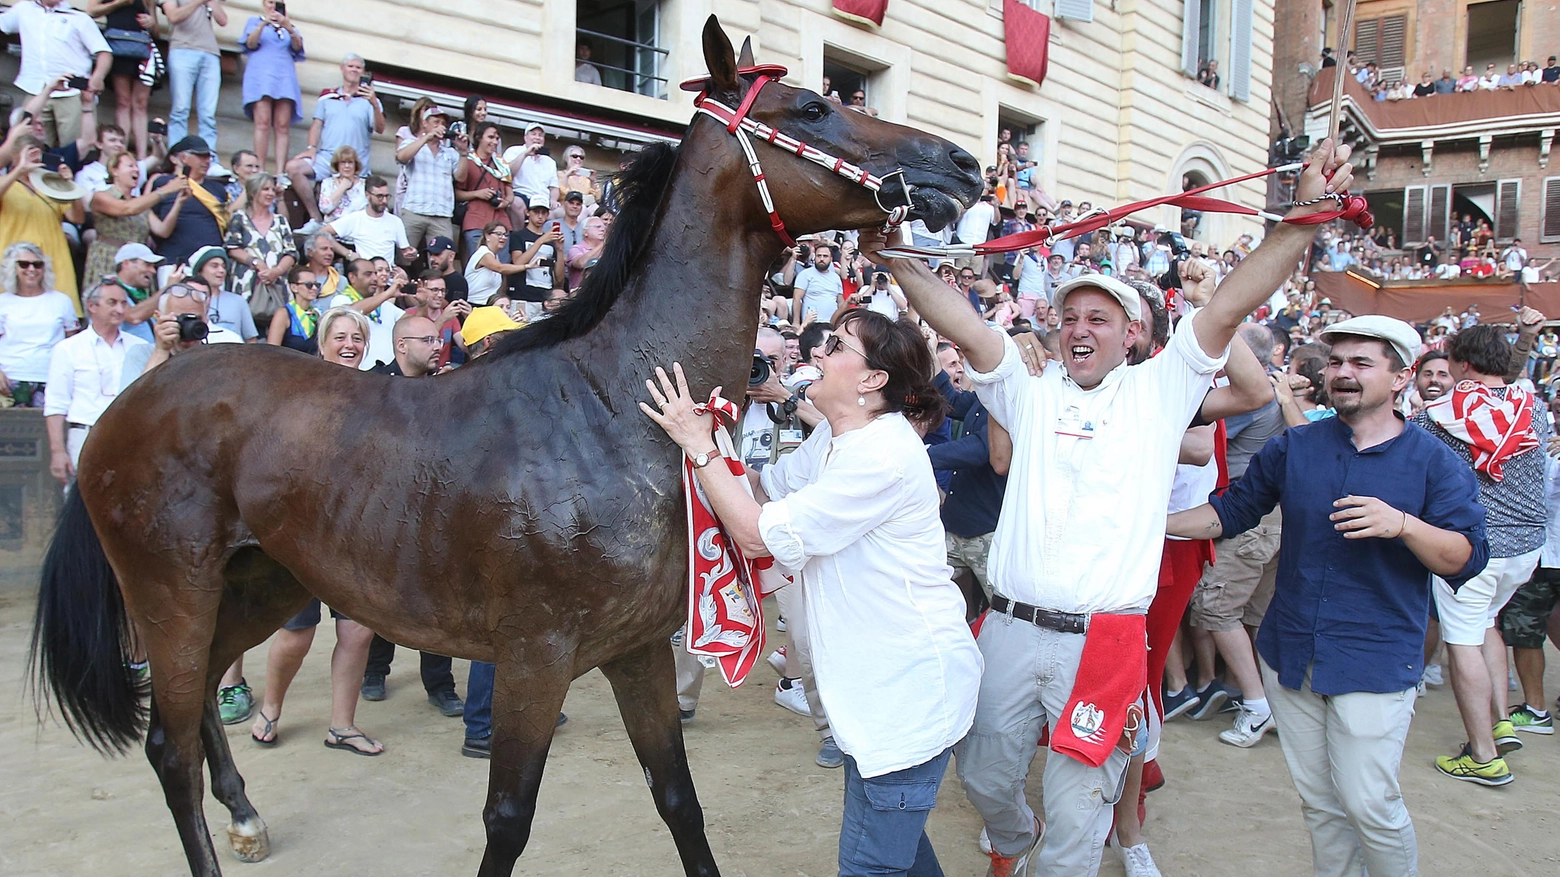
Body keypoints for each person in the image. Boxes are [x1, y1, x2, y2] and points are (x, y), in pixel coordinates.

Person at [863, 139, 1357, 877]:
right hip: (1008, 628)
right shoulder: (1028, 391)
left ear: (1132, 334)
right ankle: (1011, 834)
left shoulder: (1162, 392)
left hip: (1105, 644)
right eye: (1070, 317)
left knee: (1078, 817)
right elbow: (961, 323)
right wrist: (896, 259)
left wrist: (1303, 220)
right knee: (986, 780)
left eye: (1100, 317)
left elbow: (1230, 302)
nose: (1081, 328)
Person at [641, 309, 982, 877]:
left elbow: (754, 534)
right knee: (901, 856)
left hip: (904, 699)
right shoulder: (836, 435)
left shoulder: (881, 457)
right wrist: (715, 433)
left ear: (872, 380)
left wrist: (699, 447)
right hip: (874, 697)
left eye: (839, 345)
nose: (818, 350)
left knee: (871, 867)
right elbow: (761, 489)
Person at [1168, 314, 1488, 877]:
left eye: (1362, 363)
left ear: (1401, 377)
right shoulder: (1297, 446)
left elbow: (1466, 555)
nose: (1343, 372)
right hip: (1290, 652)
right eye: (1337, 361)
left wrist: (1404, 525)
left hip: (1375, 658)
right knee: (1320, 804)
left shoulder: (1435, 460)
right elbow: (1231, 512)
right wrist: (1149, 524)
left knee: (1371, 805)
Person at [1413, 318, 1548, 785]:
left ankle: (1485, 756)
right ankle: (1500, 720)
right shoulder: (1533, 406)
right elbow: (1515, 378)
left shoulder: (1436, 417)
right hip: (1527, 549)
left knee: (1464, 640)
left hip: (1472, 550)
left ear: (1463, 364)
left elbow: (1395, 442)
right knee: (1485, 623)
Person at [246, 306, 383, 755]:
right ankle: (271, 707)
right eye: (340, 336)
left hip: (356, 537)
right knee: (296, 633)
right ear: (322, 344)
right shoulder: (295, 396)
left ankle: (342, 725)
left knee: (358, 631)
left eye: (357, 337)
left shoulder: (378, 397)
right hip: (301, 536)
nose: (349, 345)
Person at [44, 281, 143, 484]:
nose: (119, 309)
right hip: (85, 435)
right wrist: (57, 451)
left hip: (130, 438)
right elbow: (56, 403)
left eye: (124, 303)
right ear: (92, 306)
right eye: (112, 302)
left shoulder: (139, 347)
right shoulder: (68, 349)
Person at [286, 54, 383, 225]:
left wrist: (375, 103)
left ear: (363, 72)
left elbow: (380, 128)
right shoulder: (327, 96)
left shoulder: (369, 99)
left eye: (358, 67)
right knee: (293, 167)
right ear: (342, 68)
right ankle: (315, 218)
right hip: (327, 158)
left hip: (355, 164)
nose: (354, 70)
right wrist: (311, 148)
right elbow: (316, 125)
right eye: (350, 66)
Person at [0, 0, 111, 148]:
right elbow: (3, 24)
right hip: (36, 91)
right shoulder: (24, 8)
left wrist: (98, 77)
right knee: (30, 146)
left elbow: (104, 52)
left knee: (74, 147)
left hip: (71, 93)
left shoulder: (78, 17)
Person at [0, 135, 87, 311]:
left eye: (37, 154)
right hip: (16, 263)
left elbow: (77, 218)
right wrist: (19, 169)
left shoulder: (50, 183)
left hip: (52, 261)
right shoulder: (7, 183)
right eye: (28, 154)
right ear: (15, 154)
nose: (34, 159)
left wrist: (70, 185)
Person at [87, 150, 188, 287]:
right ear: (114, 170)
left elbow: (163, 230)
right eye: (130, 166)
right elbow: (126, 209)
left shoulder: (141, 203)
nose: (136, 170)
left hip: (139, 264)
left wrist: (179, 202)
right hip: (109, 258)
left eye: (136, 166)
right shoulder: (101, 196)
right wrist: (165, 190)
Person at [0, 243, 78, 408]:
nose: (31, 269)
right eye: (23, 264)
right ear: (12, 268)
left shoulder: (62, 301)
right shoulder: (2, 302)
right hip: (10, 377)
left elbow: (73, 342)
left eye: (37, 264)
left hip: (51, 377)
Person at [223, 171, 296, 333]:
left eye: (272, 190)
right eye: (265, 189)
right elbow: (231, 248)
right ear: (253, 192)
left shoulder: (280, 220)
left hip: (277, 285)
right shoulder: (239, 218)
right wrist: (256, 263)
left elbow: (291, 253)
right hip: (246, 285)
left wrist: (276, 271)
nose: (270, 193)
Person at [239, 0, 304, 173]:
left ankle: (280, 171)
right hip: (261, 76)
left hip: (284, 76)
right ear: (264, 4)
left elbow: (297, 47)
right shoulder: (254, 21)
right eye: (270, 1)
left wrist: (288, 26)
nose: (274, 5)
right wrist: (265, 22)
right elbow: (250, 43)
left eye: (278, 2)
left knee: (282, 125)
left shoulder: (289, 26)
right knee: (263, 122)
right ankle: (259, 168)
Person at [148, 135, 230, 273]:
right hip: (175, 261)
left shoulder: (218, 189)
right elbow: (151, 219)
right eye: (200, 156)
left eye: (208, 157)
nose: (206, 161)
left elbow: (227, 219)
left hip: (211, 265)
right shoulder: (165, 183)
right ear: (183, 158)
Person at [91, 0, 157, 159]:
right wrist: (119, 3)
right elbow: (92, 11)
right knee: (123, 101)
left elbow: (155, 31)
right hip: (118, 45)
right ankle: (121, 154)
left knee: (141, 104)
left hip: (142, 48)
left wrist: (151, 21)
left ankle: (141, 157)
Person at [161, 0, 225, 155]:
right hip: (183, 49)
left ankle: (209, 157)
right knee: (180, 109)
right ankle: (177, 156)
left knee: (208, 114)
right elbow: (174, 16)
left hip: (210, 53)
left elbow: (223, 20)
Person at [395, 99, 461, 249]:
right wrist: (426, 138)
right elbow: (401, 157)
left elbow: (460, 177)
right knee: (403, 256)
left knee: (443, 258)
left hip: (442, 213)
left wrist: (463, 152)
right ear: (425, 123)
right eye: (436, 122)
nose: (441, 127)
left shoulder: (450, 153)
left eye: (443, 124)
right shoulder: (411, 143)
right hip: (414, 209)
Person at [323, 175, 415, 265]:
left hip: (387, 274)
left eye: (386, 196)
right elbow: (322, 233)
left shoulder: (395, 221)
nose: (384, 201)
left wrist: (413, 254)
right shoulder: (356, 218)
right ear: (368, 195)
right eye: (379, 196)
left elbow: (406, 251)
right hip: (364, 273)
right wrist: (347, 253)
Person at [454, 121, 514, 259]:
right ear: (479, 137)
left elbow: (510, 192)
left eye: (497, 138)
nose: (494, 142)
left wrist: (506, 202)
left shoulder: (501, 163)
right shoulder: (468, 161)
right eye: (491, 137)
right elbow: (456, 194)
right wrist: (478, 194)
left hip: (501, 222)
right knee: (478, 268)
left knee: (501, 269)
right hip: (476, 221)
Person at [106, 241, 165, 342]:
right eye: (147, 264)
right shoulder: (108, 288)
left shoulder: (141, 294)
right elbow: (133, 317)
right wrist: (167, 288)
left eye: (153, 266)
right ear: (126, 264)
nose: (153, 271)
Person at [465, 222, 532, 307]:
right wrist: (527, 266)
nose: (503, 237)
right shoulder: (483, 253)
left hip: (487, 305)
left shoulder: (495, 256)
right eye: (498, 234)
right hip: (474, 305)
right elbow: (500, 268)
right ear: (487, 236)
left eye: (505, 235)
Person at [504, 121, 558, 215]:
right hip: (521, 195)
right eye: (533, 134)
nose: (537, 138)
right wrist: (525, 154)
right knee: (516, 204)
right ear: (525, 137)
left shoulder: (550, 161)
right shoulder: (514, 151)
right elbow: (507, 174)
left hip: (543, 199)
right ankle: (520, 230)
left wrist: (553, 199)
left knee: (560, 212)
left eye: (540, 135)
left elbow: (554, 187)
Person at [266, 264, 322, 354]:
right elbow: (271, 352)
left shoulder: (316, 315)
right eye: (309, 285)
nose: (314, 288)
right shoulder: (283, 314)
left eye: (317, 284)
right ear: (294, 287)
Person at [786, 243, 845, 325]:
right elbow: (797, 298)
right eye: (819, 256)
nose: (821, 259)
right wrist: (796, 322)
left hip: (832, 323)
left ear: (831, 259)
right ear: (815, 257)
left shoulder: (836, 277)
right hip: (812, 324)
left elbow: (840, 302)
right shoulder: (805, 274)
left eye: (825, 256)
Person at [316, 145, 367, 223]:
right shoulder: (328, 183)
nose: (347, 166)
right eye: (343, 162)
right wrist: (342, 188)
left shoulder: (364, 184)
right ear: (337, 165)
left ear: (355, 165)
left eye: (350, 162)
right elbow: (325, 209)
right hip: (332, 229)